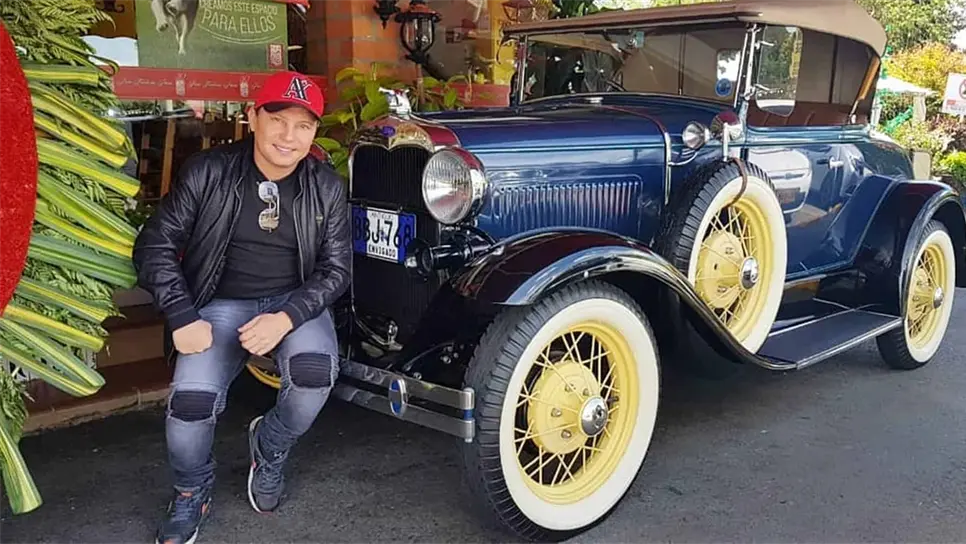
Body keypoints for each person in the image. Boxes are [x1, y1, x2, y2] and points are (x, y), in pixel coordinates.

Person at [132, 70, 351, 544]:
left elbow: (336, 271)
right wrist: (182, 315)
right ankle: (191, 489)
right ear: (253, 118)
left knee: (314, 376)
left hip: (291, 304)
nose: (289, 136)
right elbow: (154, 246)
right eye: (278, 120)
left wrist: (286, 318)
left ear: (314, 132)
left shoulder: (326, 186)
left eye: (303, 126)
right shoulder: (208, 171)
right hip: (218, 303)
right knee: (189, 408)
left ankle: (269, 446)